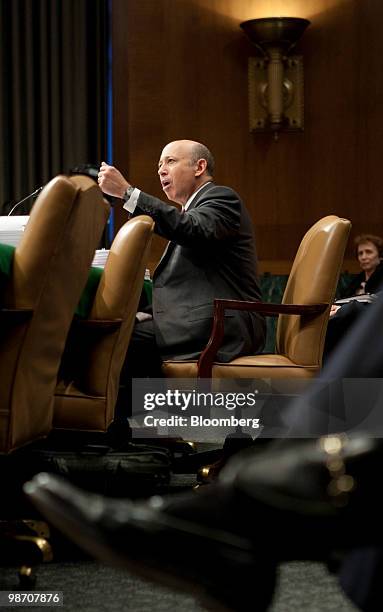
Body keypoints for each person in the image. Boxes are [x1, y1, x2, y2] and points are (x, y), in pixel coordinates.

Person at [24, 291, 383, 612]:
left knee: (126, 341)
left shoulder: (220, 211)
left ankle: (260, 498)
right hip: (193, 318)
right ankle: (281, 487)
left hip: (213, 323)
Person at [98, 140, 266, 416]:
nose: (161, 170)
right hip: (201, 321)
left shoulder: (222, 198)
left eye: (170, 162)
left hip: (222, 327)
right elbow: (189, 284)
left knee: (116, 340)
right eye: (159, 165)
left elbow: (191, 229)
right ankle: (151, 436)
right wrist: (147, 313)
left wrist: (128, 193)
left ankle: (125, 439)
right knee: (122, 330)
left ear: (200, 166)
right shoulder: (194, 209)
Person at [324, 233, 383, 361]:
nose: (364, 257)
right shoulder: (356, 280)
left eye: (368, 252)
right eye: (360, 253)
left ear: (380, 255)